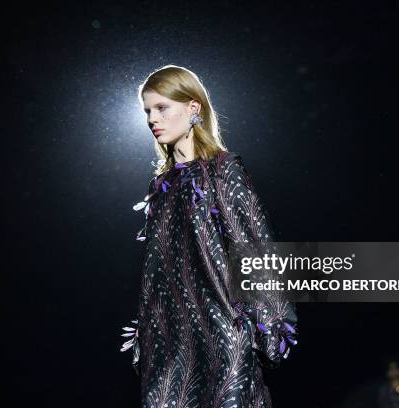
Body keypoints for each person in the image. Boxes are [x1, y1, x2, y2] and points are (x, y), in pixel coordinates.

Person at [119, 64, 298, 407]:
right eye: (147, 111)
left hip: (222, 336)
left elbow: (254, 249)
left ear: (193, 107)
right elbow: (156, 272)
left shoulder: (222, 169)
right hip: (169, 346)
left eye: (161, 108)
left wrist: (269, 327)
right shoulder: (160, 188)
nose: (152, 119)